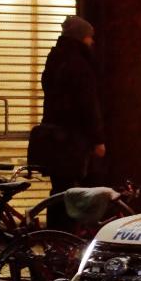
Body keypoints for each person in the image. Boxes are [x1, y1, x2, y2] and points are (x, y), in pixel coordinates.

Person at [39, 15, 106, 231]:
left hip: (53, 136)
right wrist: (98, 139)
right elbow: (88, 105)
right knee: (75, 189)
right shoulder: (80, 64)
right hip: (73, 139)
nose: (92, 42)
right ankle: (69, 235)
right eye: (89, 37)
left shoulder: (55, 58)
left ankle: (55, 235)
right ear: (80, 38)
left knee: (59, 188)